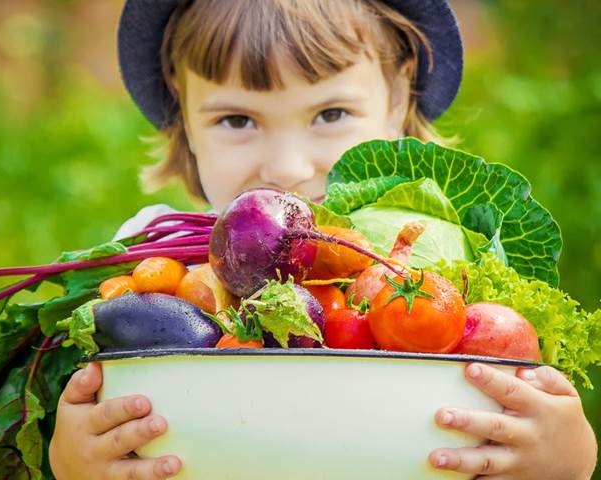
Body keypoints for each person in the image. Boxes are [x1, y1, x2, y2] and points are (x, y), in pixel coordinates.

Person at [49, 0, 598, 479]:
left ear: (399, 93)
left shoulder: (453, 271)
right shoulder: (148, 258)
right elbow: (97, 414)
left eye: (330, 113)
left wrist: (567, 460)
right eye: (237, 120)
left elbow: (514, 407)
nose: (286, 168)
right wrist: (75, 460)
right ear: (183, 107)